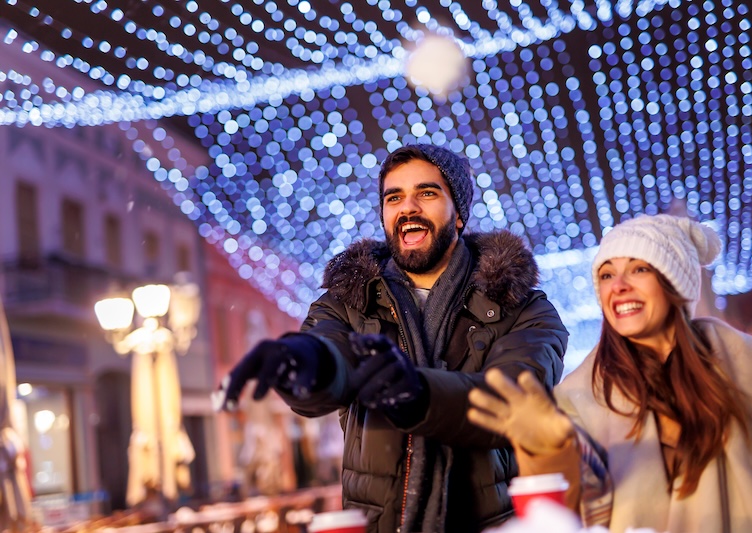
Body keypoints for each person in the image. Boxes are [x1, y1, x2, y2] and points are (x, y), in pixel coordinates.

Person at [217, 143, 569, 533]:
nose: (408, 208)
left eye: (428, 193)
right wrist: (304, 359)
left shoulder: (522, 307)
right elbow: (334, 351)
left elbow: (516, 397)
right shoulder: (349, 302)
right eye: (394, 197)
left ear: (459, 216)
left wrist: (418, 393)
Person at [468, 214, 752, 532]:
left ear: (675, 281)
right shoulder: (579, 397)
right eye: (607, 275)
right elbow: (566, 514)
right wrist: (548, 454)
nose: (620, 286)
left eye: (639, 269)